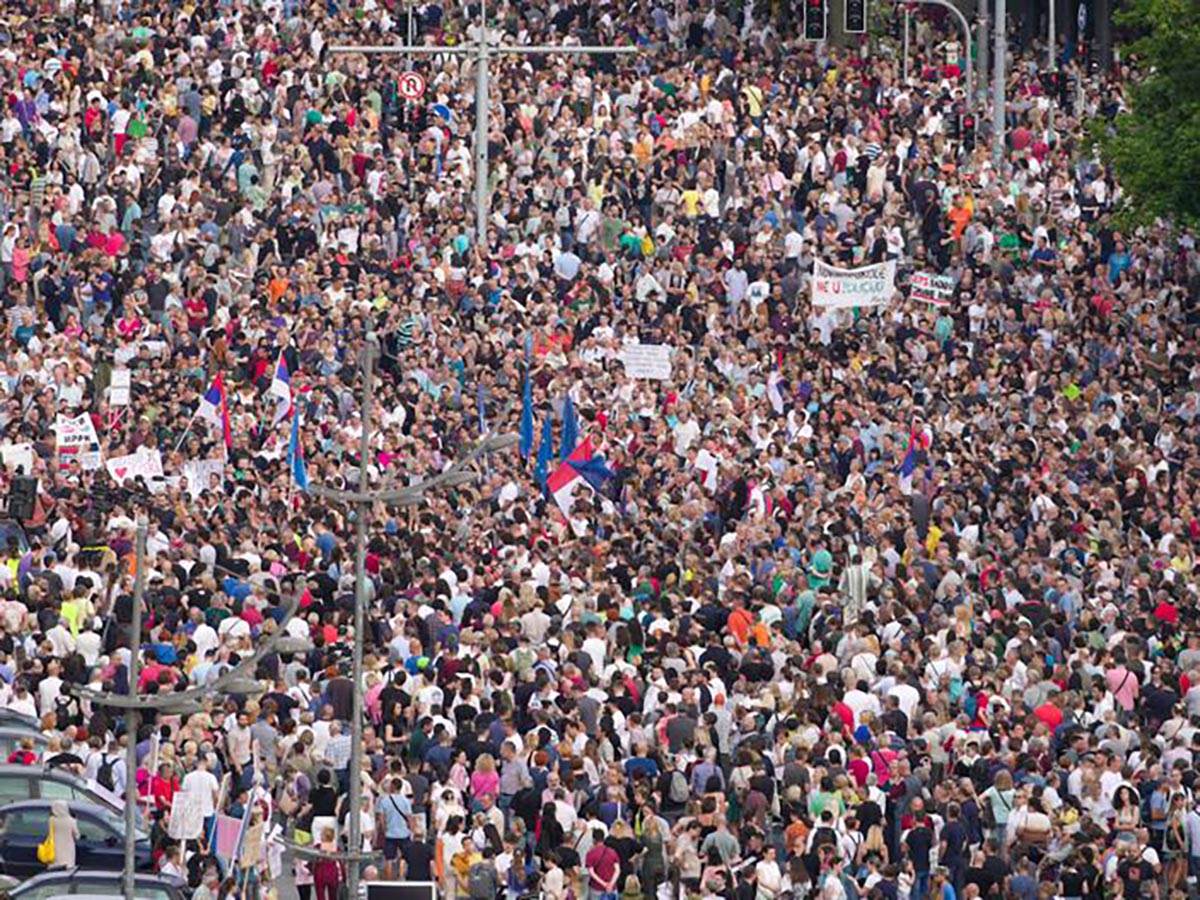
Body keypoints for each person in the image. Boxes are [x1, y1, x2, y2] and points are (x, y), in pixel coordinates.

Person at [47, 801, 78, 869]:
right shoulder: (72, 821)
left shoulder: (51, 820)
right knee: (68, 864)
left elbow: (50, 832)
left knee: (56, 865)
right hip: (68, 846)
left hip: (55, 845)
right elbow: (76, 835)